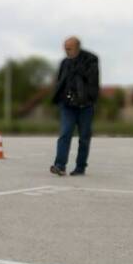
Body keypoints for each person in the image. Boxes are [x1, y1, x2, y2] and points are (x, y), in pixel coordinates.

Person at [50, 36, 99, 176]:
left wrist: (76, 65)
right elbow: (60, 80)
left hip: (85, 105)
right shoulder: (65, 62)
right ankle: (60, 166)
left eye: (69, 49)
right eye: (65, 48)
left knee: (84, 138)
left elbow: (92, 79)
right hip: (67, 105)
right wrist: (59, 97)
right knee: (65, 134)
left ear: (77, 47)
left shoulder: (91, 59)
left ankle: (80, 167)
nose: (66, 51)